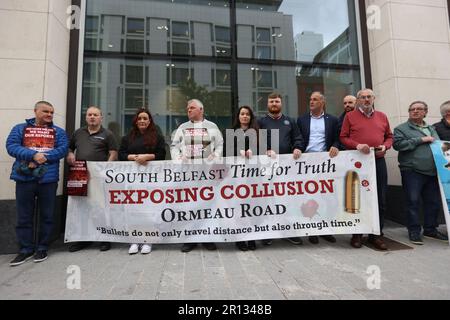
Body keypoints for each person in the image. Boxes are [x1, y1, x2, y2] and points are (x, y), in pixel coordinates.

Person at [6, 101, 68, 266]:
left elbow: (62, 149)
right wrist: (32, 155)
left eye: (52, 112)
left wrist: (44, 158)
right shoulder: (20, 129)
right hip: (24, 178)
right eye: (45, 111)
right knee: (24, 216)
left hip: (48, 179)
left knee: (47, 216)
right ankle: (25, 249)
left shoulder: (58, 132)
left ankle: (42, 247)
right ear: (35, 111)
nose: (49, 114)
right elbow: (11, 146)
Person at [340, 88, 393, 250]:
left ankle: (376, 234)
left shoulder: (382, 116)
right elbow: (343, 137)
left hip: (377, 161)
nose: (366, 99)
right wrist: (357, 145)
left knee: (380, 199)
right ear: (358, 100)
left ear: (374, 98)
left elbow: (389, 136)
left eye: (369, 97)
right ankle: (357, 234)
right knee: (358, 199)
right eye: (363, 97)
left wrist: (385, 146)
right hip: (357, 163)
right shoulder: (350, 116)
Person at [171, 99, 223, 252]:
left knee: (207, 205)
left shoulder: (212, 127)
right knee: (190, 205)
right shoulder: (182, 127)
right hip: (189, 175)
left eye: (192, 108)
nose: (189, 110)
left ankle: (207, 237)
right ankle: (190, 239)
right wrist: (179, 158)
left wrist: (216, 154)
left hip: (207, 174)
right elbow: (174, 146)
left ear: (201, 109)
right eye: (187, 108)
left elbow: (220, 144)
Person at [393, 101, 449, 244]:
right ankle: (414, 231)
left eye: (419, 109)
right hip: (412, 171)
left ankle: (430, 230)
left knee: (433, 202)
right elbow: (398, 145)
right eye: (412, 109)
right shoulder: (401, 129)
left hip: (432, 171)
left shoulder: (432, 128)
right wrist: (420, 139)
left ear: (425, 112)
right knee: (413, 202)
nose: (415, 111)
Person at [66, 106, 118, 252]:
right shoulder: (78, 133)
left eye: (95, 115)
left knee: (101, 207)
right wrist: (70, 154)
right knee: (81, 207)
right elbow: (70, 148)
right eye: (90, 114)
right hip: (79, 174)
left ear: (101, 118)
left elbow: (113, 153)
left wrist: (106, 168)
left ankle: (104, 238)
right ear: (86, 117)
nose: (92, 117)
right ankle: (83, 239)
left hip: (99, 176)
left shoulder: (108, 134)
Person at [258, 92, 303, 246]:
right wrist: (265, 150)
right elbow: (257, 141)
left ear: (281, 103)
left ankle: (288, 232)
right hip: (268, 168)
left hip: (287, 168)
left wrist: (297, 148)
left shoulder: (290, 121)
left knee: (287, 200)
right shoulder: (261, 122)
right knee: (269, 200)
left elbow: (298, 138)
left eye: (277, 101)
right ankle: (269, 232)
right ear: (267, 104)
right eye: (271, 101)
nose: (274, 104)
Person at [119, 107, 166, 254]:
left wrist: (147, 157)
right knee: (133, 209)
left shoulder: (157, 137)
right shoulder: (128, 138)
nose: (142, 121)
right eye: (139, 118)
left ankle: (149, 240)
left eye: (145, 118)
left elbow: (162, 154)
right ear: (136, 121)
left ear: (150, 121)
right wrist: (133, 158)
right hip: (133, 180)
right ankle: (135, 240)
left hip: (151, 180)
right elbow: (121, 154)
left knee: (150, 210)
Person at [297, 92, 339, 244]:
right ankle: (312, 230)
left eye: (315, 99)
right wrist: (297, 148)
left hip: (326, 163)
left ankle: (326, 229)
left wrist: (335, 146)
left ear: (323, 102)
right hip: (307, 163)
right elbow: (299, 138)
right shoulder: (301, 119)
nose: (311, 101)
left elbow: (337, 138)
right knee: (310, 197)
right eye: (310, 99)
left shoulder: (332, 120)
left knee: (328, 197)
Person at [224, 105, 259, 251]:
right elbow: (225, 151)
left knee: (251, 206)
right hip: (236, 176)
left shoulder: (257, 133)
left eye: (247, 114)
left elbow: (263, 148)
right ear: (238, 116)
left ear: (251, 117)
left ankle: (251, 237)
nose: (245, 116)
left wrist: (254, 150)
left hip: (252, 176)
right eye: (242, 114)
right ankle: (239, 238)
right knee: (238, 207)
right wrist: (238, 151)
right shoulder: (230, 132)